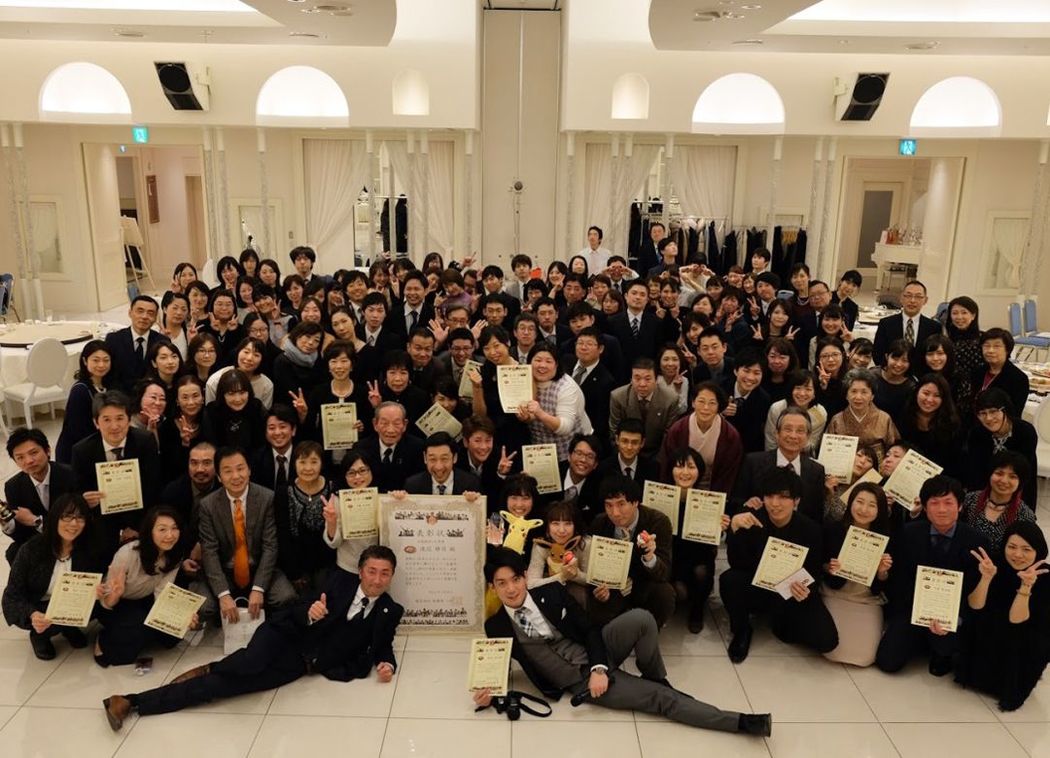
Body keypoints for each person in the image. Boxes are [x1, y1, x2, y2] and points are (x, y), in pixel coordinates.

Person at [476, 548, 770, 736]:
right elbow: (499, 665)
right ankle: (741, 722)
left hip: (596, 651)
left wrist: (599, 667)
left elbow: (589, 629)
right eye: (501, 583)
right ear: (493, 587)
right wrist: (489, 695)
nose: (511, 589)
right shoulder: (497, 625)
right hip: (578, 682)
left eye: (515, 579)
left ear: (525, 576)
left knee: (642, 618)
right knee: (660, 700)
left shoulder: (551, 592)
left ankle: (655, 675)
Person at [103, 545, 403, 730]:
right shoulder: (336, 581)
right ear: (361, 571)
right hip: (283, 635)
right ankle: (140, 698)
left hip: (301, 664)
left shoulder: (391, 609)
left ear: (391, 576)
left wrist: (386, 664)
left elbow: (383, 642)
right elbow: (296, 609)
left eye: (384, 574)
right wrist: (311, 612)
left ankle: (130, 702)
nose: (377, 580)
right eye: (372, 571)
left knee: (224, 687)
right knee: (247, 664)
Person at [720, 467, 837, 663]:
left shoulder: (811, 530)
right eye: (769, 496)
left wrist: (804, 589)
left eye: (783, 497)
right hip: (759, 587)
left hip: (790, 592)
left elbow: (814, 571)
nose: (775, 504)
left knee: (827, 641)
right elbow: (737, 563)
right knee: (729, 580)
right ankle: (742, 629)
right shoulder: (753, 520)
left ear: (796, 501)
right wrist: (734, 529)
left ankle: (780, 622)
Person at [875, 476, 989, 676]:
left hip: (951, 616)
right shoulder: (908, 533)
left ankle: (938, 648)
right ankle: (921, 641)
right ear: (925, 508)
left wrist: (955, 620)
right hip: (913, 608)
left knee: (944, 650)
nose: (942, 509)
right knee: (887, 662)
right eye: (934, 503)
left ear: (960, 506)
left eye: (948, 503)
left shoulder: (976, 541)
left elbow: (972, 590)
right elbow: (899, 579)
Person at [192, 446, 297, 624]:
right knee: (204, 607)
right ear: (218, 477)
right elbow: (209, 551)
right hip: (225, 570)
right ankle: (226, 608)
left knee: (286, 597)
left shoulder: (267, 498)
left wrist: (258, 588)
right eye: (227, 471)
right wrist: (223, 594)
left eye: (240, 469)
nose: (235, 476)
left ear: (249, 470)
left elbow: (270, 546)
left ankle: (261, 614)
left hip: (259, 567)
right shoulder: (208, 505)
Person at [955, 521, 1050, 712]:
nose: (1017, 554)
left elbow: (1017, 621)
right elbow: (975, 606)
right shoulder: (993, 564)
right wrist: (986, 578)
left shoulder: (1045, 575)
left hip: (1025, 635)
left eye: (1026, 549)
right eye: (1012, 547)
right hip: (993, 628)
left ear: (1037, 551)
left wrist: (1026, 587)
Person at [2, 494, 103, 660]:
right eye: (67, 517)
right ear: (54, 518)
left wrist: (99, 590)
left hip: (72, 603)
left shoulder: (90, 548)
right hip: (39, 606)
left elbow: (97, 580)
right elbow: (12, 595)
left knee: (102, 607)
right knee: (43, 619)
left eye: (80, 518)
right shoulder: (31, 549)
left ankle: (68, 626)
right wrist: (32, 614)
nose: (73, 524)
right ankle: (39, 635)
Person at [93, 506, 190, 667]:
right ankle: (103, 639)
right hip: (113, 604)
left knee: (172, 637)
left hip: (144, 599)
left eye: (175, 529)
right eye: (162, 529)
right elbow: (105, 602)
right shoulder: (128, 553)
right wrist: (115, 595)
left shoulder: (175, 553)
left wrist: (179, 616)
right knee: (123, 653)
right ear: (149, 531)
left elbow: (162, 593)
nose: (170, 535)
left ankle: (139, 633)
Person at [71, 391, 160, 551]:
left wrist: (136, 526)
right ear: (96, 423)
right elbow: (77, 491)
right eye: (106, 420)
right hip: (101, 520)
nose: (114, 426)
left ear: (129, 420)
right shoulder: (82, 451)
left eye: (120, 418)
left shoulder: (145, 441)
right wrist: (84, 500)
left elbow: (152, 488)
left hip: (139, 516)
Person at [588, 476, 675, 628]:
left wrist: (650, 557)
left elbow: (664, 573)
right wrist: (600, 591)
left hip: (644, 581)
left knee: (664, 594)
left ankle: (651, 628)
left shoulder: (658, 521)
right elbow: (594, 569)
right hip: (613, 586)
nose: (615, 513)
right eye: (609, 505)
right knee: (597, 617)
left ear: (635, 503)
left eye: (621, 504)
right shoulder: (599, 523)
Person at [821, 483, 893, 666]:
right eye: (859, 502)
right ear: (850, 502)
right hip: (835, 593)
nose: (864, 509)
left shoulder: (885, 537)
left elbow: (884, 585)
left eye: (872, 505)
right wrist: (829, 568)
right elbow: (820, 566)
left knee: (865, 657)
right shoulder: (833, 529)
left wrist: (882, 573)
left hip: (867, 599)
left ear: (880, 509)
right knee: (831, 649)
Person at [666, 447, 730, 633]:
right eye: (679, 467)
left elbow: (711, 546)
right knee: (679, 591)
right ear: (671, 470)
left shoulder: (709, 500)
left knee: (701, 571)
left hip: (697, 557)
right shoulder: (661, 496)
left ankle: (697, 610)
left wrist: (720, 527)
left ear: (699, 471)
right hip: (671, 556)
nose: (685, 472)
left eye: (691, 467)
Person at [732, 405, 828, 523]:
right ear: (776, 433)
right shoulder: (753, 462)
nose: (793, 436)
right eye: (787, 429)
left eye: (800, 431)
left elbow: (816, 516)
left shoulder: (816, 471)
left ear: (808, 437)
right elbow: (735, 501)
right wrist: (746, 504)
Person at [3, 428, 77, 566]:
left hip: (73, 539)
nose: (29, 461)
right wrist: (8, 524)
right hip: (40, 542)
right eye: (20, 457)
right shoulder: (13, 486)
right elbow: (21, 536)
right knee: (13, 551)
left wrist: (35, 521)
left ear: (48, 450)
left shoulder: (71, 476)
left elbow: (77, 522)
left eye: (34, 453)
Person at [661, 381, 743, 494]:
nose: (706, 408)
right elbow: (667, 465)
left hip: (713, 491)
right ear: (693, 403)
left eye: (712, 403)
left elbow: (729, 473)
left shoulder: (730, 435)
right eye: (701, 401)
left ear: (719, 406)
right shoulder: (678, 430)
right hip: (681, 487)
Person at [965, 389, 1038, 506]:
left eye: (993, 411)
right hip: (985, 491)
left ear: (1005, 410)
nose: (988, 418)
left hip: (1018, 490)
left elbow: (1023, 471)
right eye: (982, 413)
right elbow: (975, 472)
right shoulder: (977, 434)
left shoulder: (1025, 431)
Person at [279, 440, 335, 592]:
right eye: (302, 462)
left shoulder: (333, 487)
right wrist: (294, 573)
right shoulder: (284, 491)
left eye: (314, 462)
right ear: (294, 464)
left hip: (327, 562)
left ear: (321, 464)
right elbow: (283, 536)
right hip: (296, 564)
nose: (308, 468)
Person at [961, 451, 1036, 553]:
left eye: (1012, 476)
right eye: (999, 473)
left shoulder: (1025, 515)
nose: (1004, 481)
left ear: (1020, 482)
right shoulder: (969, 500)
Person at [608, 358, 678, 458]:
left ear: (657, 379)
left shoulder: (670, 399)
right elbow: (614, 432)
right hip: (626, 451)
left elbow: (668, 437)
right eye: (637, 378)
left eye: (648, 379)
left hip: (656, 453)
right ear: (631, 379)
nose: (642, 384)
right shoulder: (618, 396)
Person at [322, 451, 379, 574]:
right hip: (348, 567)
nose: (358, 477)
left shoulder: (382, 497)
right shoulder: (336, 500)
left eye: (363, 470)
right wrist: (331, 522)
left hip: (378, 567)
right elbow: (334, 544)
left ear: (371, 471)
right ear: (344, 476)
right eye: (351, 473)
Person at [56, 340, 112, 464]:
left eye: (106, 360)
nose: (101, 365)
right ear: (85, 361)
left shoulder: (109, 386)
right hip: (77, 452)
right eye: (96, 360)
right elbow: (77, 429)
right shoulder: (80, 390)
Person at [825, 369, 899, 462]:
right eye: (853, 391)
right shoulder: (837, 420)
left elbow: (894, 449)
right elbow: (828, 451)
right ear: (846, 395)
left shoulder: (884, 418)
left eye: (864, 392)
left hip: (876, 471)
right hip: (844, 469)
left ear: (872, 396)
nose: (858, 397)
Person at [526, 500, 591, 605]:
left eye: (568, 523)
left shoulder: (585, 543)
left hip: (578, 593)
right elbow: (531, 583)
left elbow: (591, 580)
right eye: (555, 523)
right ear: (547, 527)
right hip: (550, 592)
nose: (561, 530)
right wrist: (561, 577)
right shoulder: (541, 544)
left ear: (575, 526)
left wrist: (575, 575)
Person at [897, 373, 962, 476]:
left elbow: (954, 463)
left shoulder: (952, 423)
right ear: (917, 392)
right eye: (926, 393)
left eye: (937, 396)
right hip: (905, 475)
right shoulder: (904, 416)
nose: (929, 400)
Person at [357, 401, 425, 492]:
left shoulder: (417, 448)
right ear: (375, 424)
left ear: (405, 425)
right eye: (384, 423)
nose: (390, 430)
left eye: (396, 424)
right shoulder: (361, 448)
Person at [872, 280, 942, 367]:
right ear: (901, 298)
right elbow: (877, 354)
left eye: (918, 297)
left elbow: (934, 356)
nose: (912, 300)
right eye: (908, 296)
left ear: (925, 300)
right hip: (892, 374)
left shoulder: (934, 327)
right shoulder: (886, 324)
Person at [104, 295, 165, 393]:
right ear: (130, 313)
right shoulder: (114, 339)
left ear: (155, 317)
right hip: (119, 398)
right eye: (140, 311)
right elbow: (109, 375)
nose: (145, 317)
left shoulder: (162, 341)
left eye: (150, 313)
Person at [721, 348, 772, 454]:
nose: (750, 377)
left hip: (746, 451)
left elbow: (755, 435)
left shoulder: (764, 400)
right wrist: (721, 413)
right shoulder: (720, 389)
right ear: (735, 370)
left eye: (756, 373)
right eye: (746, 371)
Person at [763, 370, 827, 454]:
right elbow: (770, 441)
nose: (802, 393)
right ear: (791, 390)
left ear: (814, 393)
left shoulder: (820, 413)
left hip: (804, 456)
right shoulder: (777, 408)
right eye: (798, 388)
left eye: (808, 389)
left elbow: (812, 444)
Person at [972, 327, 1030, 417]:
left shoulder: (1018, 378)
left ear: (1007, 350)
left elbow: (1014, 413)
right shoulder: (977, 373)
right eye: (986, 346)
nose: (991, 350)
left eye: (997, 346)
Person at [404, 432, 482, 495]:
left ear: (454, 458)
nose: (439, 467)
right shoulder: (412, 485)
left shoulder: (471, 484)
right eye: (433, 459)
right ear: (425, 458)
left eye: (444, 459)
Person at [872, 339, 916, 418]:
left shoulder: (911, 386)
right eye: (895, 359)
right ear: (886, 356)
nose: (899, 364)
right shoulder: (872, 376)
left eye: (905, 360)